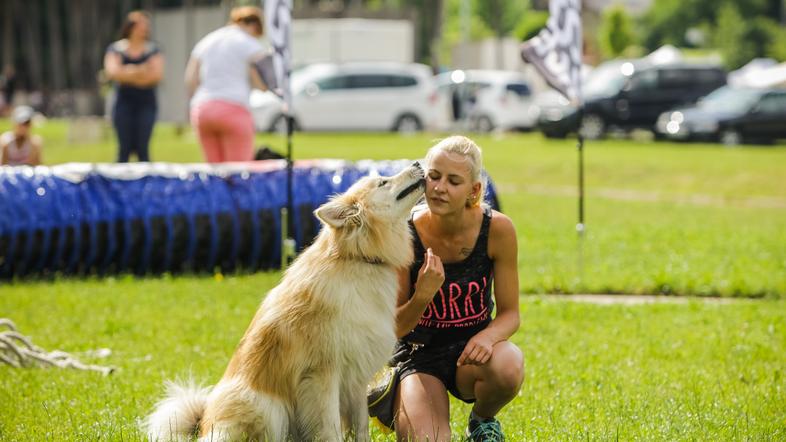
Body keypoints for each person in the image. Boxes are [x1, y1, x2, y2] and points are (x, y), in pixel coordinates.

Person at [392, 135, 524, 442]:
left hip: (471, 351)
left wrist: (489, 336)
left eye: (453, 181)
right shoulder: (404, 232)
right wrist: (423, 294)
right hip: (418, 355)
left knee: (508, 365)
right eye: (434, 176)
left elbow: (511, 314)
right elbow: (394, 327)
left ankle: (481, 420)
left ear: (474, 191)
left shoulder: (498, 230)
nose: (439, 188)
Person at [185, 6, 269, 163]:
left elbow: (190, 78)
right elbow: (263, 82)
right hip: (233, 108)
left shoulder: (208, 40)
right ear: (254, 26)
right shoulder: (248, 43)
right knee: (239, 172)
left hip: (202, 109)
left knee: (213, 170)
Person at [103, 10, 164, 163]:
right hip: (123, 104)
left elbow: (156, 77)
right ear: (130, 27)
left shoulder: (153, 50)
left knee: (143, 149)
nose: (145, 29)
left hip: (146, 104)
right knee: (124, 149)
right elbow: (112, 73)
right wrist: (141, 70)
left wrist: (127, 74)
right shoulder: (116, 49)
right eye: (141, 25)